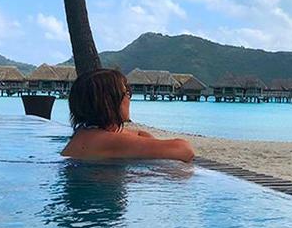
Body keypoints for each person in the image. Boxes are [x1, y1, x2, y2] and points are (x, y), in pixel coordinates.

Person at [61, 68, 195, 162]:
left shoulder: (85, 133)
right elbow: (184, 150)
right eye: (126, 93)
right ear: (108, 102)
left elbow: (138, 135)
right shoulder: (107, 141)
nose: (129, 98)